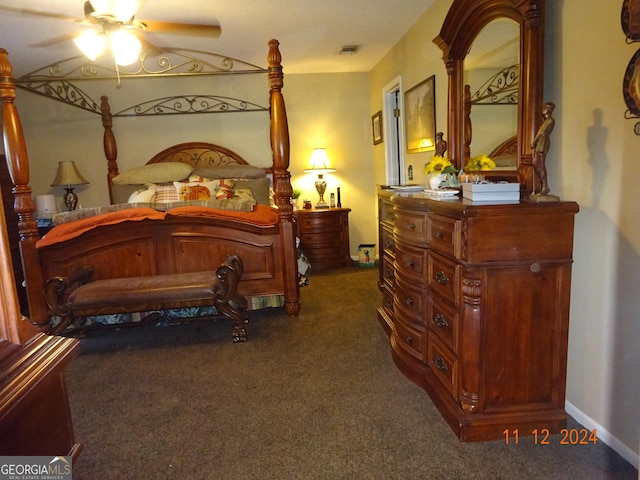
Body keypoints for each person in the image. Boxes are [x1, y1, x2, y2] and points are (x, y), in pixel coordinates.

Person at [531, 102, 556, 195]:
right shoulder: (546, 121)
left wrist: (534, 142)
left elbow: (541, 133)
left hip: (543, 142)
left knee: (540, 164)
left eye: (545, 107)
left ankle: (545, 186)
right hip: (541, 141)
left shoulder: (549, 121)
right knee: (535, 163)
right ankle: (544, 186)